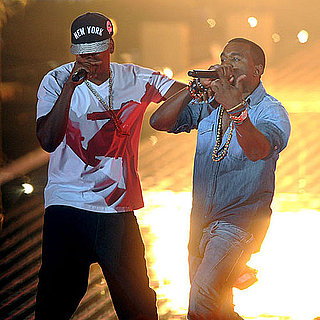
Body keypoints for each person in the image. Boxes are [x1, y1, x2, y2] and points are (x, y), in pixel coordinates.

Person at [35, 12, 185, 320]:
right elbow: (48, 140)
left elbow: (183, 93)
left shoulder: (135, 78)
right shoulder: (55, 81)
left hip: (117, 208)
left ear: (111, 46)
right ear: (73, 51)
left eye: (97, 51)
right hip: (66, 205)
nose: (89, 59)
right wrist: (69, 89)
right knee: (53, 304)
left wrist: (205, 92)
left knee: (138, 305)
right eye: (82, 53)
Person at [150, 38, 291, 319]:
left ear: (257, 70)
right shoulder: (210, 106)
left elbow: (258, 150)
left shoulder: (272, 111)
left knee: (201, 303)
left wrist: (237, 109)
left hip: (240, 223)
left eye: (236, 59)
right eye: (225, 57)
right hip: (200, 220)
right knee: (220, 309)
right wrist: (192, 90)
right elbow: (159, 122)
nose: (227, 64)